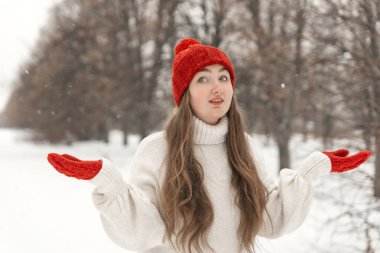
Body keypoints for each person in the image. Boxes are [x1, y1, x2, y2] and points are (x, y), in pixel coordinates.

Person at [47, 38, 371, 253]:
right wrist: (110, 184)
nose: (217, 88)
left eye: (223, 77)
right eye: (202, 79)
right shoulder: (157, 150)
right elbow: (143, 231)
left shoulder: (244, 147)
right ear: (184, 94)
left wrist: (311, 169)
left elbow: (268, 219)